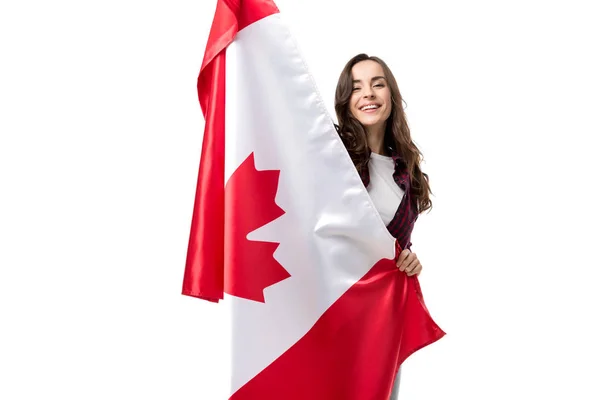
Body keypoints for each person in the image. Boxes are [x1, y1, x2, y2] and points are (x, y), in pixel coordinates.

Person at [334, 53, 433, 400]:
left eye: (378, 84)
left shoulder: (405, 172)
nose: (369, 94)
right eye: (357, 87)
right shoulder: (330, 155)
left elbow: (393, 245)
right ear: (345, 101)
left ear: (391, 95)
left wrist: (408, 259)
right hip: (333, 308)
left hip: (381, 318)